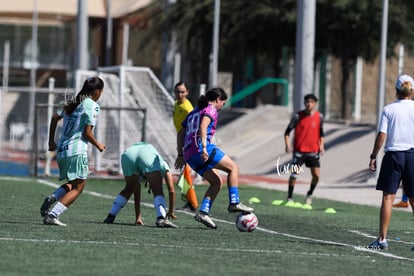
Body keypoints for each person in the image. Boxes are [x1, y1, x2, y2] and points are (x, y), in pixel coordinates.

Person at [175, 87, 254, 229]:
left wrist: (180, 154)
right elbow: (203, 126)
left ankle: (204, 212)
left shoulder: (195, 111)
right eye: (223, 103)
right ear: (218, 99)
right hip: (201, 149)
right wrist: (204, 147)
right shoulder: (211, 109)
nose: (222, 106)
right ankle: (234, 202)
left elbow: (181, 132)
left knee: (216, 182)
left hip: (189, 154)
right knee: (233, 168)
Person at [40, 76, 106, 226]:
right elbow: (87, 134)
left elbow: (54, 118)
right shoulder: (92, 105)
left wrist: (51, 141)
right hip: (76, 151)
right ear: (97, 91)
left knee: (73, 183)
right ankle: (52, 215)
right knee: (78, 188)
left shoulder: (70, 102)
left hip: (62, 151)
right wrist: (99, 145)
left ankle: (53, 197)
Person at [368, 74, 414, 250]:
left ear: (396, 90)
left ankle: (382, 239)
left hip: (394, 155)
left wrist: (373, 155)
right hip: (412, 155)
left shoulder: (389, 109)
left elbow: (382, 135)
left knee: (388, 197)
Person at [103, 142, 177, 228]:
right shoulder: (163, 165)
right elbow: (171, 191)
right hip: (147, 156)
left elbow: (136, 189)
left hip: (128, 154)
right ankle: (161, 218)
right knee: (157, 190)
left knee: (129, 188)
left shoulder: (150, 159)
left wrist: (138, 217)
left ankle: (110, 216)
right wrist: (171, 211)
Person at [284, 94, 325, 205]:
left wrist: (321, 145)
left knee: (316, 176)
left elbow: (321, 133)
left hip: (313, 151)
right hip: (299, 152)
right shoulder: (297, 116)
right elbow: (287, 132)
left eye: (311, 102)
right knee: (294, 175)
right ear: (304, 103)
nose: (309, 104)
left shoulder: (319, 117)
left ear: (315, 104)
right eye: (307, 101)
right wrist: (287, 145)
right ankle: (290, 197)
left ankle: (309, 194)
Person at [172, 81, 198, 211]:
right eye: (177, 91)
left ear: (187, 93)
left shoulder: (188, 108)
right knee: (184, 173)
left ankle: (192, 203)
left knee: (185, 172)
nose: (180, 94)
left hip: (188, 142)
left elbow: (192, 129)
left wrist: (182, 151)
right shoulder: (176, 104)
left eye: (182, 92)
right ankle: (190, 202)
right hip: (182, 140)